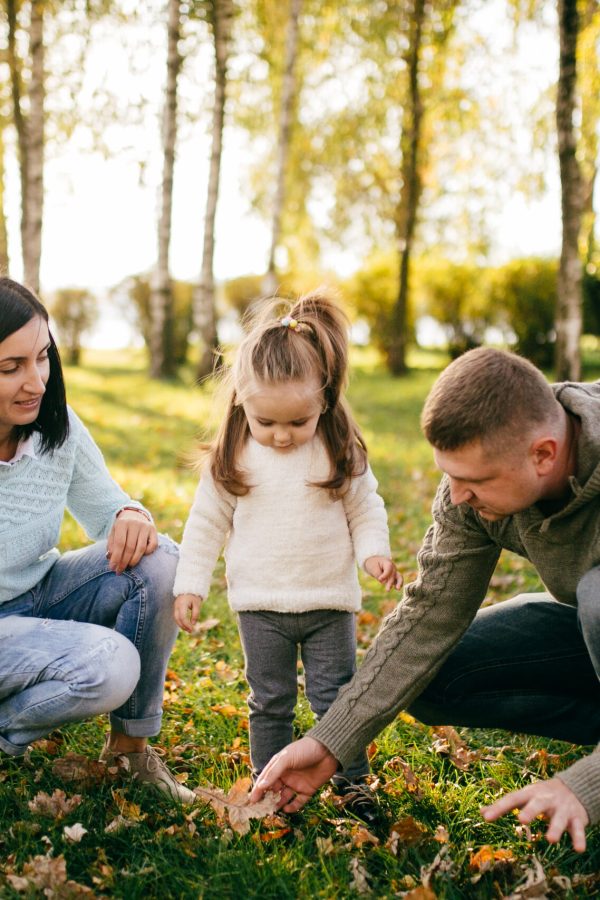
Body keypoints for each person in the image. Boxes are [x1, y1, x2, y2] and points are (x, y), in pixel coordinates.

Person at [251, 346, 600, 853]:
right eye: (449, 476)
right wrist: (329, 742)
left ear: (543, 454)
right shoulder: (471, 492)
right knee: (436, 674)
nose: (456, 496)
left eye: (474, 481)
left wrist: (585, 784)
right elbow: (428, 614)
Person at [173, 292, 402, 823]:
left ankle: (352, 782)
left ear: (324, 399)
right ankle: (268, 785)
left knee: (336, 698)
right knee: (269, 701)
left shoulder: (338, 448)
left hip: (328, 602)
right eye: (266, 422)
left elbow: (365, 508)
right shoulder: (232, 457)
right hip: (260, 605)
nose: (281, 436)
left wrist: (374, 555)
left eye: (297, 422)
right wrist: (190, 584)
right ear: (241, 404)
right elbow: (206, 524)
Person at [0, 276, 194, 804]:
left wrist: (131, 513)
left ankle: (130, 751)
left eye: (42, 357)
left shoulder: (53, 425)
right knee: (109, 665)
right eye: (10, 367)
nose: (36, 381)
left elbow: (110, 510)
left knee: (160, 561)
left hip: (39, 595)